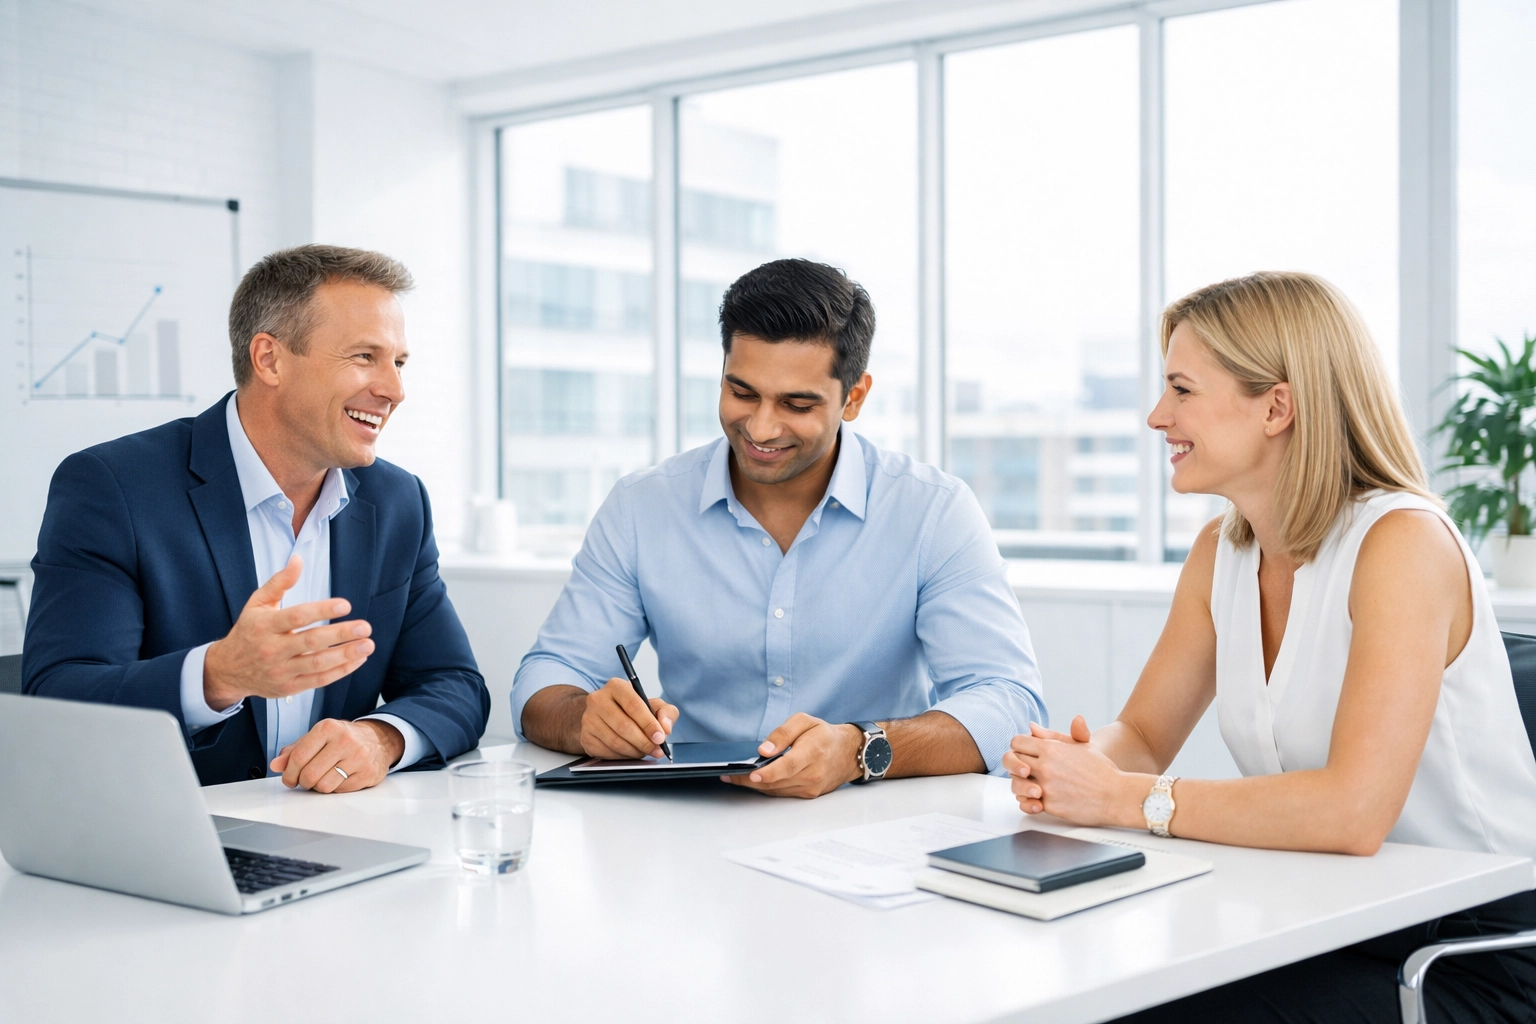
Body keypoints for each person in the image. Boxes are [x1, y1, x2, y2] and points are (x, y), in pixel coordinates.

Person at [1004, 271, 1536, 1022]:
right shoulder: (1220, 553)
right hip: (1330, 920)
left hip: (1466, 956)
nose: (1158, 416)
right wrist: (1081, 765)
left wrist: (1124, 799)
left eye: (1182, 390)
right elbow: (1148, 735)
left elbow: (1354, 813)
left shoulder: (1401, 544)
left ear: (1276, 407)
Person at [514, 258, 1045, 798]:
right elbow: (548, 674)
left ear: (854, 397)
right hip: (689, 819)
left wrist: (859, 750)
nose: (761, 427)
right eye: (742, 392)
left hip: (871, 827)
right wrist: (584, 719)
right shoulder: (641, 506)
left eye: (796, 404)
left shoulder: (933, 511)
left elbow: (1006, 701)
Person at [24, 245, 490, 790]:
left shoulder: (396, 501)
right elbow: (59, 698)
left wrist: (381, 738)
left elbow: (454, 683)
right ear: (269, 359)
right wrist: (219, 675)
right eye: (365, 357)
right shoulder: (115, 487)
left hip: (340, 834)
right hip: (171, 840)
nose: (394, 389)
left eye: (399, 362)